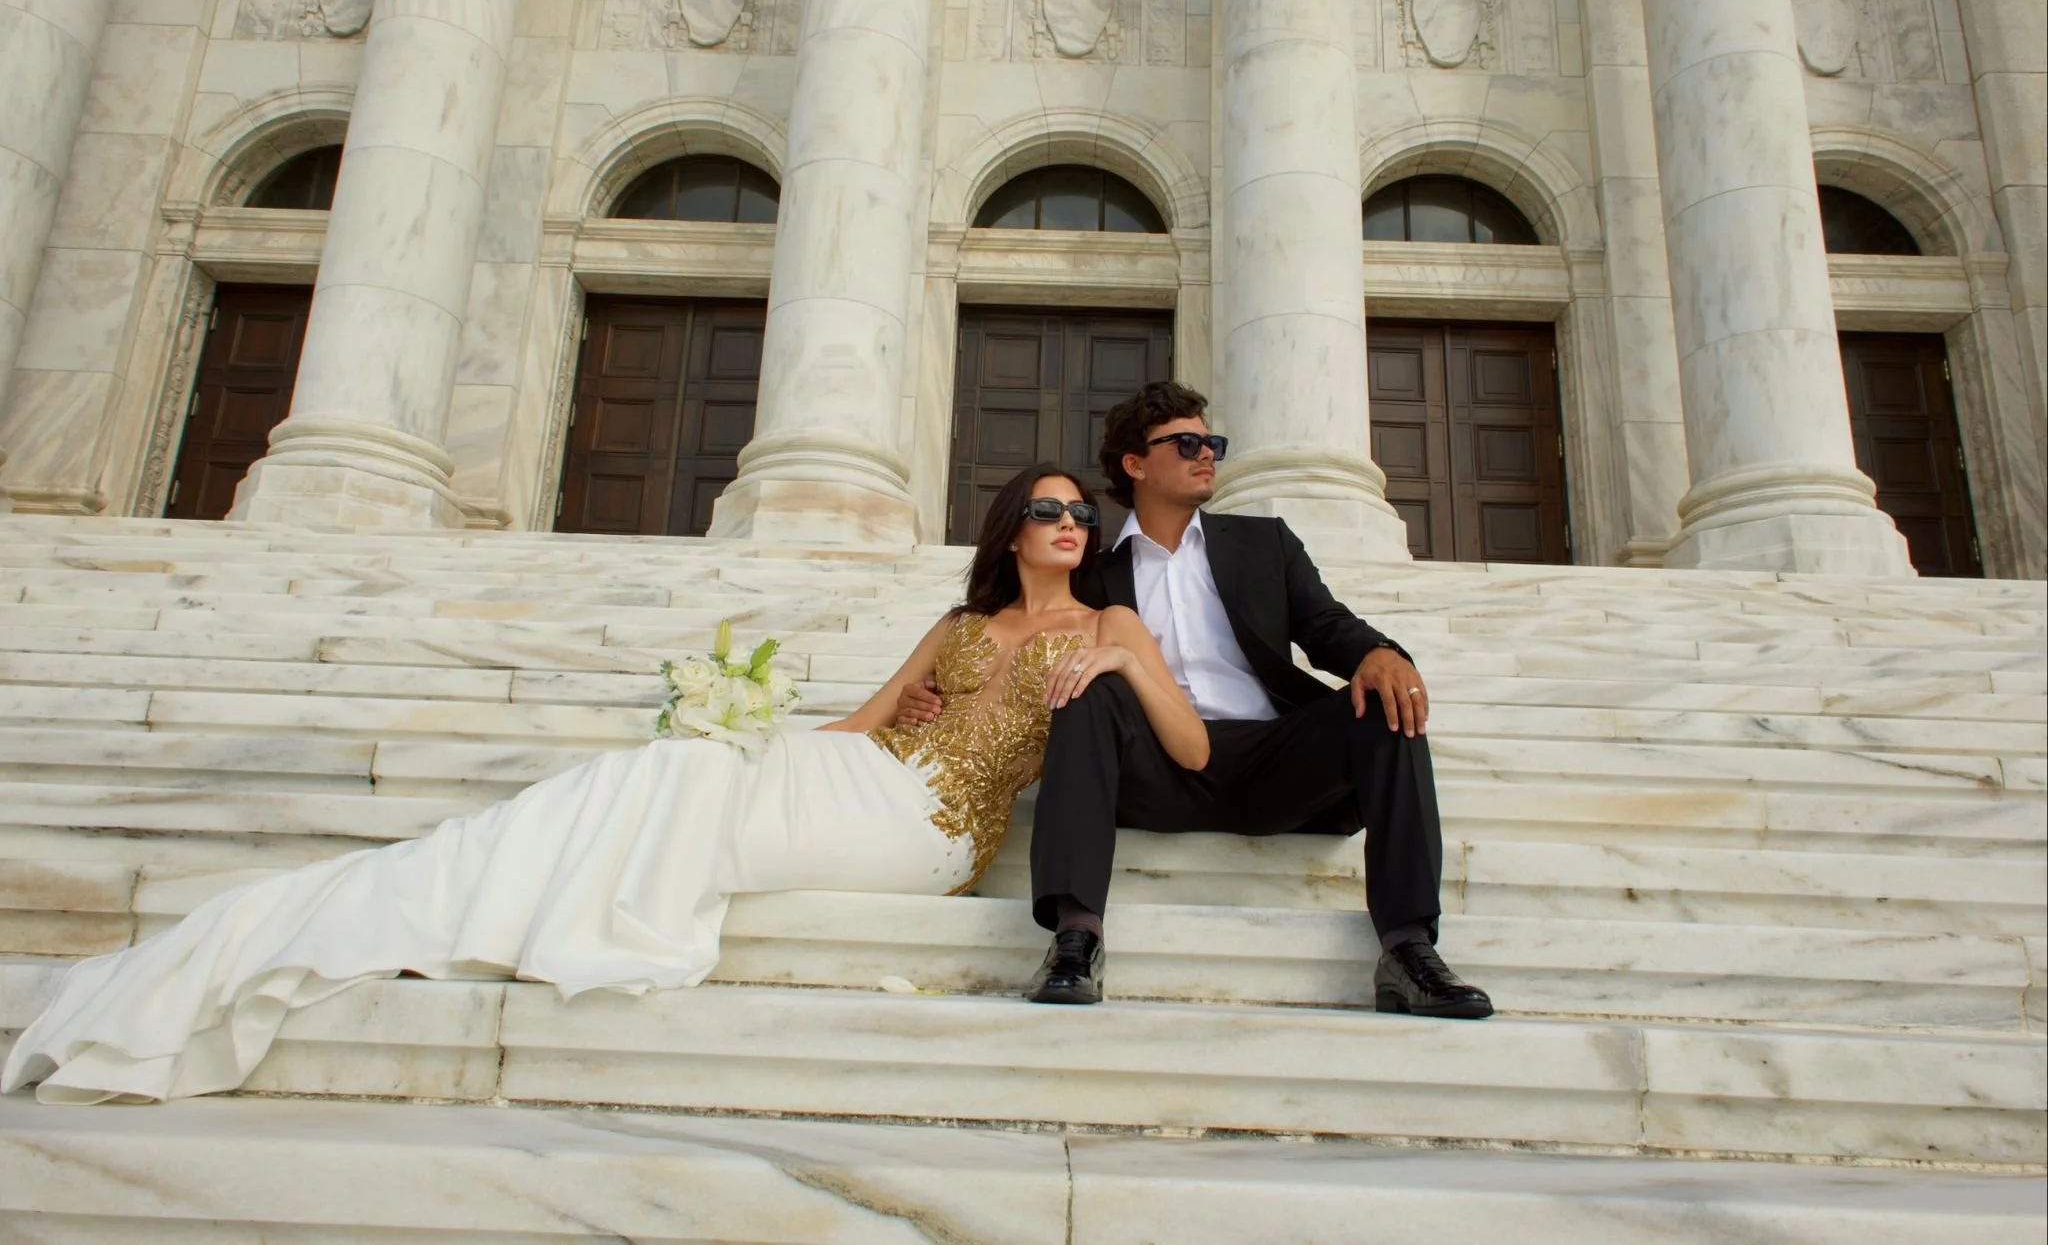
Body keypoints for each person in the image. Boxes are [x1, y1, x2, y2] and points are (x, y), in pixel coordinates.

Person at [1, 465, 1205, 1106]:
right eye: (1045, 509)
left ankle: (530, 894)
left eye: (1077, 511)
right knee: (681, 764)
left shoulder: (1110, 623)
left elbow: (1191, 748)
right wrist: (746, 723)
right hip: (858, 769)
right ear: (1007, 530)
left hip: (929, 826)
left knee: (684, 784)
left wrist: (1121, 664)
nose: (1067, 520)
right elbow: (857, 721)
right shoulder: (958, 621)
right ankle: (450, 889)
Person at [900, 382, 1492, 1019]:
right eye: (1185, 443)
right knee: (1090, 685)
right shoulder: (1095, 575)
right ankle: (1076, 938)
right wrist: (935, 691)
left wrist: (1378, 652)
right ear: (1135, 464)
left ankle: (1409, 950)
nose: (1206, 453)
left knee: (1384, 707)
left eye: (1211, 443)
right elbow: (1024, 638)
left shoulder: (1264, 544)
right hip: (1153, 767)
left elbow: (1325, 626)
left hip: (1273, 762)